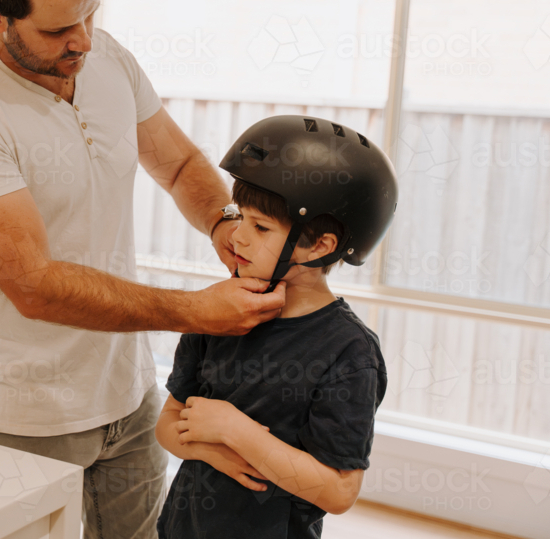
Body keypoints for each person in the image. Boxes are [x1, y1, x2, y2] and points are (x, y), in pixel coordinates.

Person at [0, 0, 285, 538]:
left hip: (129, 394)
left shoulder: (104, 56)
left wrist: (225, 223)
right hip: (28, 414)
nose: (82, 40)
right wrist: (196, 311)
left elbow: (177, 162)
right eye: (60, 28)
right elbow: (32, 284)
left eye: (91, 13)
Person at [155, 115, 399, 538]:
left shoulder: (349, 352)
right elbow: (167, 426)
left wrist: (235, 430)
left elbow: (339, 492)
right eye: (239, 217)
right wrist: (215, 452)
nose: (236, 237)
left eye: (261, 227)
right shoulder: (217, 310)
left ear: (320, 246)